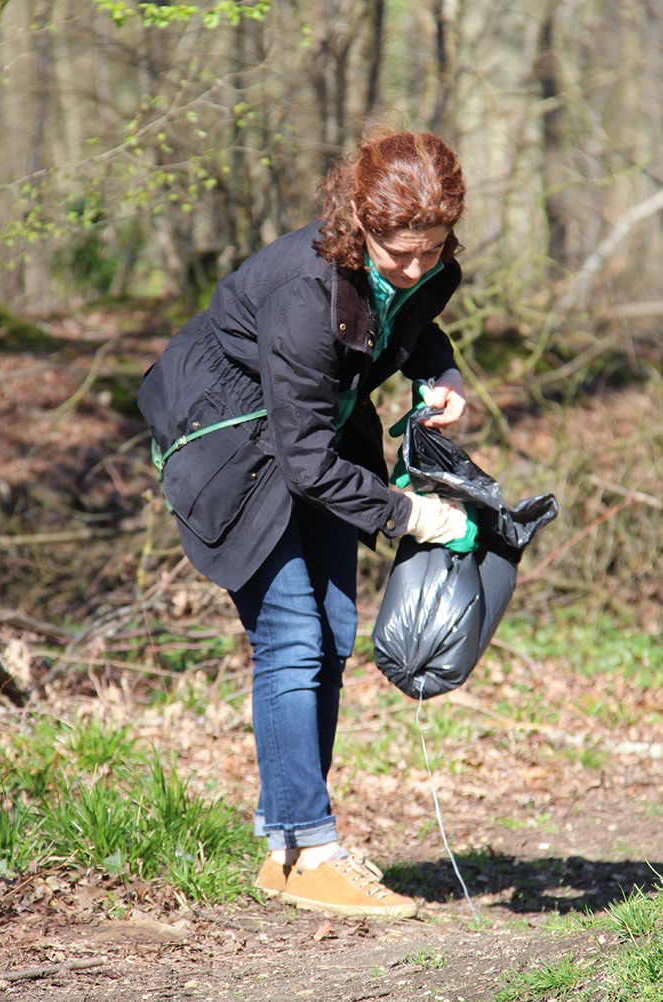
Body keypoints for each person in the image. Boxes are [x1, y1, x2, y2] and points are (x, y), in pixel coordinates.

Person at [138, 130, 471, 919]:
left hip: (311, 434)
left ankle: (295, 850)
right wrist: (411, 515)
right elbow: (306, 464)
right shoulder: (303, 288)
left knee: (333, 633)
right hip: (227, 441)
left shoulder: (421, 269)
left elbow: (411, 322)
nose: (417, 268)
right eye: (399, 253)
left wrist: (440, 373)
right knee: (290, 634)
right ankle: (303, 846)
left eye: (432, 250)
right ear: (357, 221)